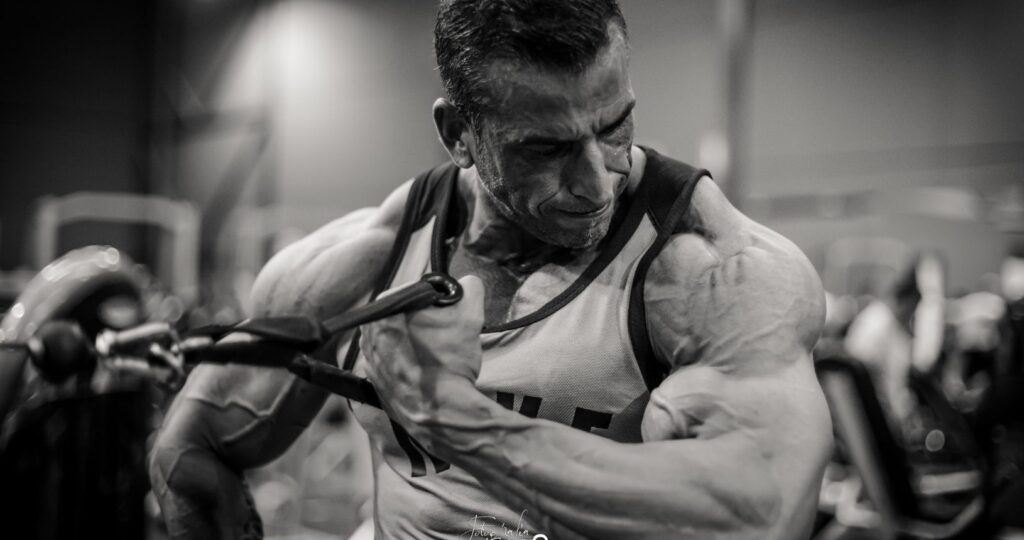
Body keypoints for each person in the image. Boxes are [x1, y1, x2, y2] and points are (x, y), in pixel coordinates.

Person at [148, 1, 832, 538]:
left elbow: (764, 511)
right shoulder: (366, 260)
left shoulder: (705, 267)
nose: (596, 183)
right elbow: (191, 453)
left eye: (614, 126)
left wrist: (458, 421)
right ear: (458, 135)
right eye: (546, 150)